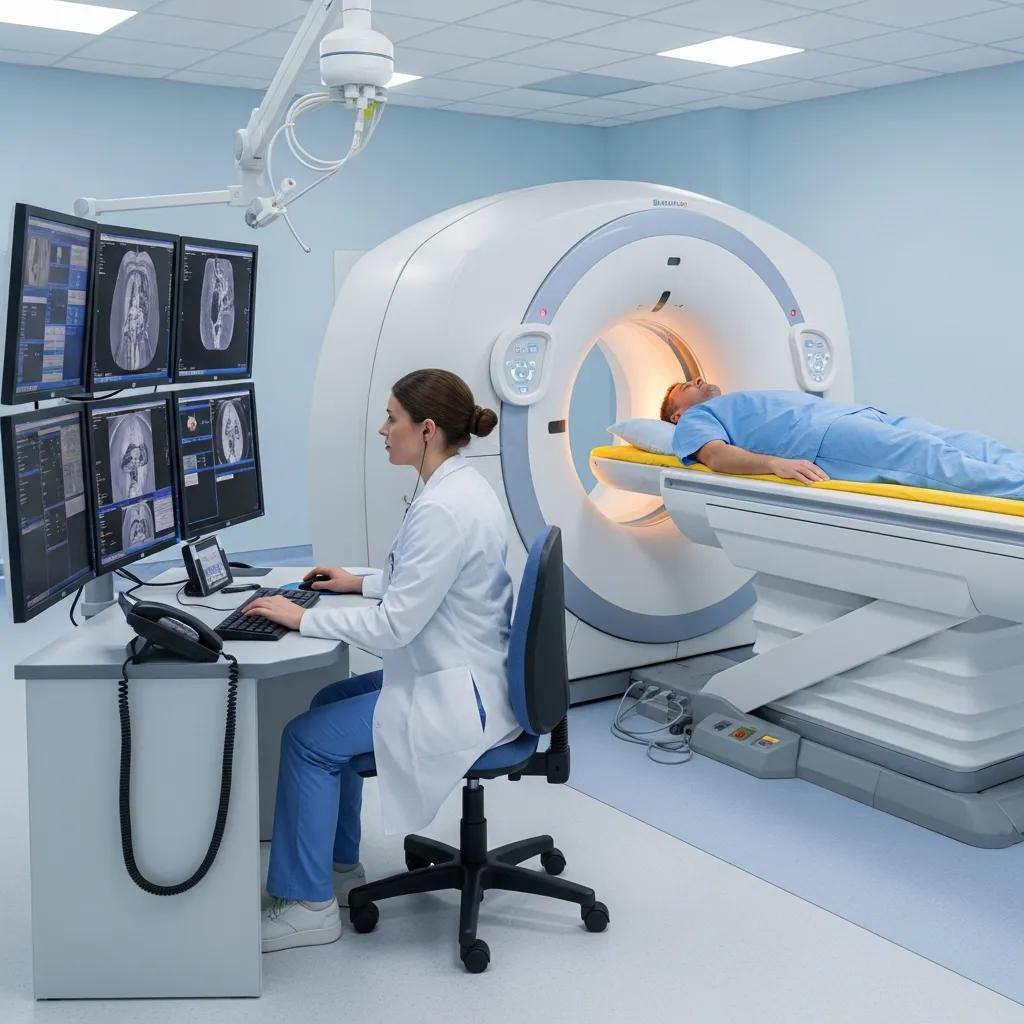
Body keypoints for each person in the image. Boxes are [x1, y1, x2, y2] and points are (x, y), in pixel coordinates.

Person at [247, 369, 522, 953]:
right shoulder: (461, 487)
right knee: (328, 702)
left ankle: (307, 906)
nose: (382, 429)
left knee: (307, 739)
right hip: (468, 670)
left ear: (425, 430)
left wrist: (303, 617)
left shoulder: (444, 509)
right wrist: (360, 581)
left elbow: (397, 625)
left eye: (391, 418)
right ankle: (340, 866)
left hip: (457, 694)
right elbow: (425, 584)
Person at [659, 380, 1024, 498]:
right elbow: (717, 457)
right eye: (684, 386)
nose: (695, 380)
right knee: (926, 455)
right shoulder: (696, 419)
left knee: (970, 443)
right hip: (825, 438)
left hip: (857, 415)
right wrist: (775, 464)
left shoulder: (736, 399)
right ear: (676, 414)